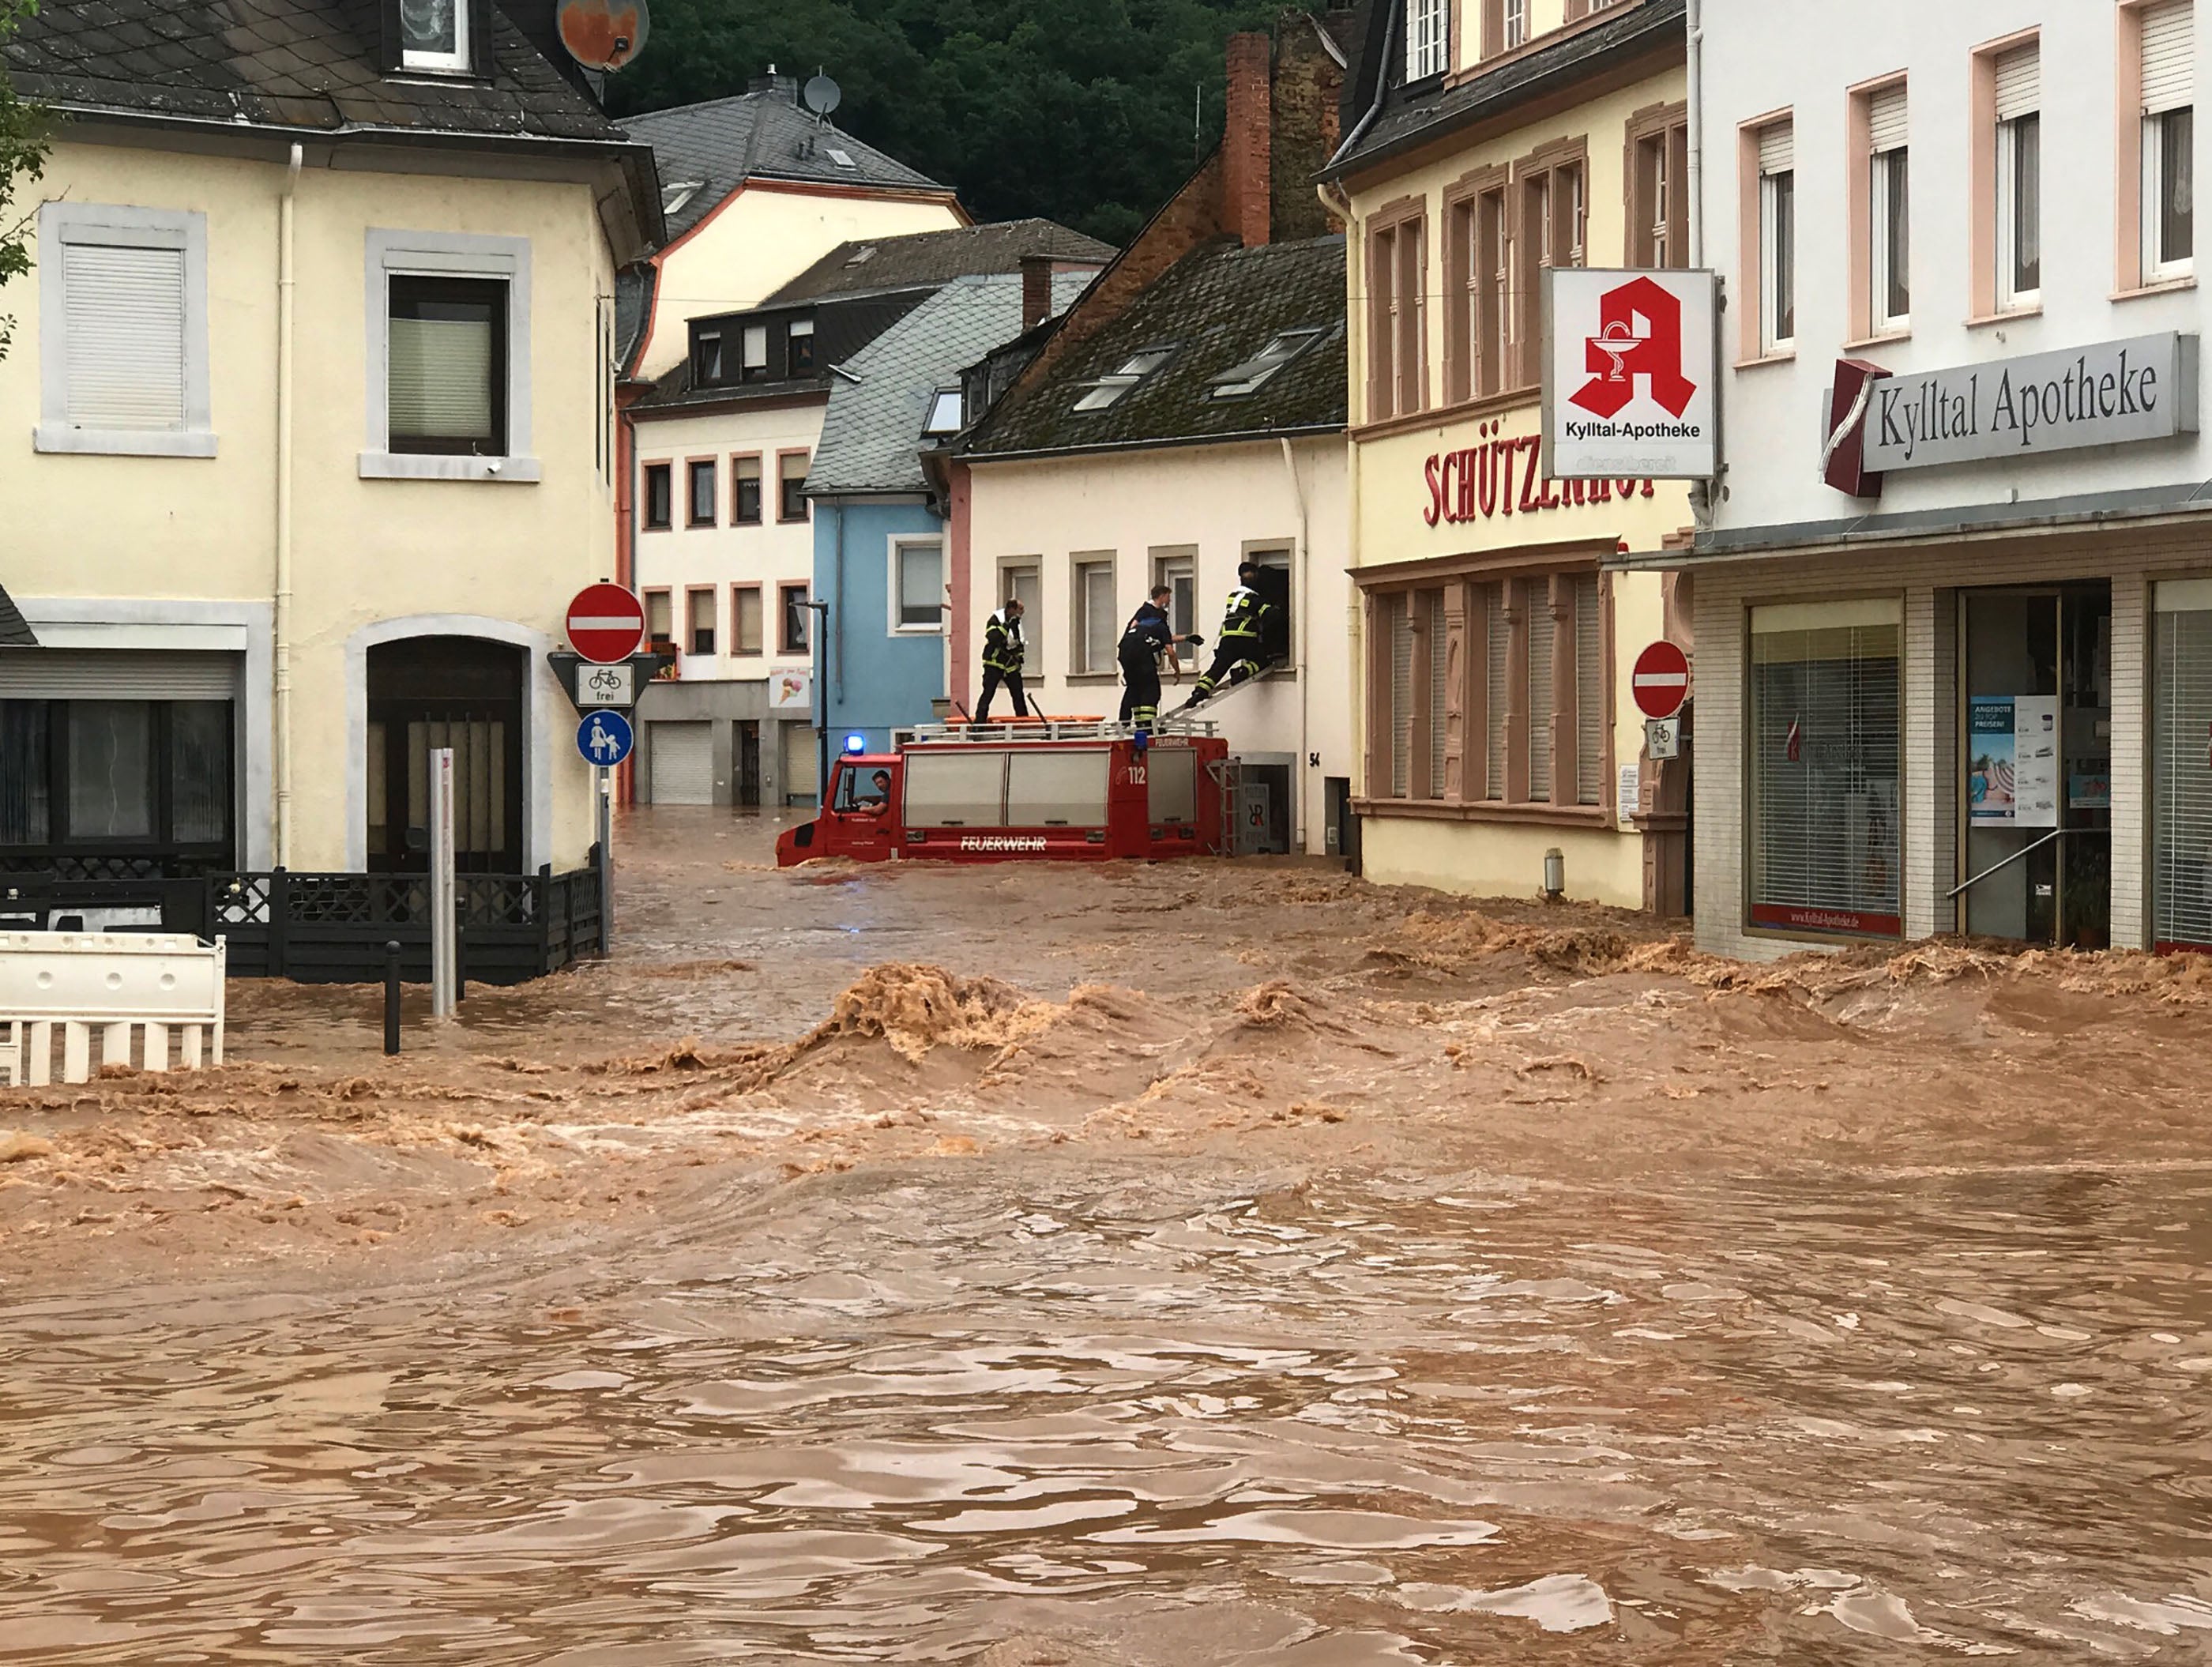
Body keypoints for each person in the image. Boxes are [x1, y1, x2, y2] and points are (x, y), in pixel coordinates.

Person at [1179, 563, 1276, 711]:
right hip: (1246, 639)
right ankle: (1241, 673)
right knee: (1264, 660)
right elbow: (1270, 615)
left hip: (1227, 639)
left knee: (1217, 668)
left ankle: (1199, 692)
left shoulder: (1233, 596)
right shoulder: (1255, 599)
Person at [1118, 585, 1202, 735]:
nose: (1170, 600)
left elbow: (1159, 638)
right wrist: (1177, 672)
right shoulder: (1151, 616)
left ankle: (1131, 723)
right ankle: (1149, 726)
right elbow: (1169, 650)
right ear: (1162, 596)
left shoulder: (1148, 622)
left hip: (1126, 652)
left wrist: (1187, 638)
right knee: (1152, 690)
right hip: (1141, 654)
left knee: (1134, 687)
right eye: (1168, 596)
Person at [976, 596, 1029, 721]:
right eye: (1020, 609)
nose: (1023, 611)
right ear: (1011, 609)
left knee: (1018, 694)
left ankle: (1023, 722)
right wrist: (1006, 626)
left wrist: (1020, 657)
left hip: (1011, 664)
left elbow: (1018, 642)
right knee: (988, 693)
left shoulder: (1017, 622)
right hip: (994, 663)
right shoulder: (995, 619)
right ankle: (979, 723)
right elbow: (994, 638)